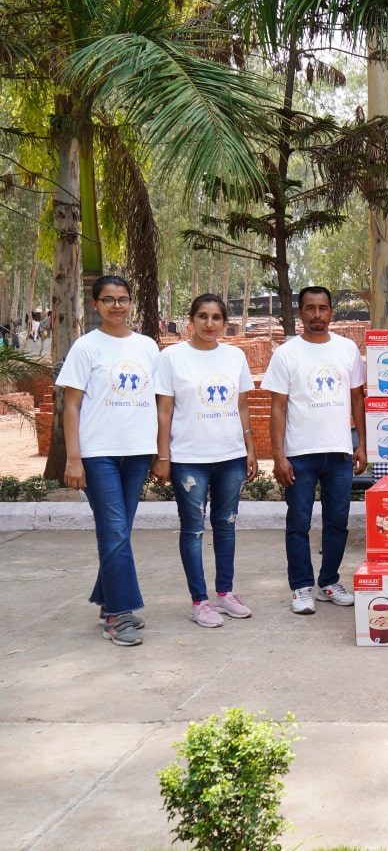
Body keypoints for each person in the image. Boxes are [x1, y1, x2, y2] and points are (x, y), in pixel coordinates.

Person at [55, 275, 159, 646]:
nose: (117, 305)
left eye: (123, 299)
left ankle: (107, 600)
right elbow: (71, 405)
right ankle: (119, 613)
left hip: (137, 453)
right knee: (114, 531)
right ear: (96, 305)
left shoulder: (147, 347)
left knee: (120, 532)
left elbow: (160, 401)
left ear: (131, 303)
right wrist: (73, 458)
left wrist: (160, 452)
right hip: (98, 454)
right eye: (108, 299)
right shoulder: (86, 347)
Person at [153, 294, 258, 628]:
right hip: (188, 458)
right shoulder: (172, 358)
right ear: (191, 321)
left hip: (230, 455)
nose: (209, 324)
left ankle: (224, 594)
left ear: (224, 322)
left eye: (216, 317)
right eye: (202, 316)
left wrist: (250, 448)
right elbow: (164, 410)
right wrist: (163, 455)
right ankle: (199, 602)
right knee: (194, 529)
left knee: (226, 525)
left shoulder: (235, 356)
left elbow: (241, 406)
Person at [262, 286, 366, 615]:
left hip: (338, 452)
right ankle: (301, 587)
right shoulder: (287, 354)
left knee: (337, 522)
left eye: (322, 308)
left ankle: (329, 582)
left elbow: (357, 399)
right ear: (301, 312)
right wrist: (279, 456)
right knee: (299, 523)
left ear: (331, 312)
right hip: (300, 454)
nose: (317, 314)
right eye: (310, 308)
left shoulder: (347, 350)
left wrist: (362, 443)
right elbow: (277, 408)